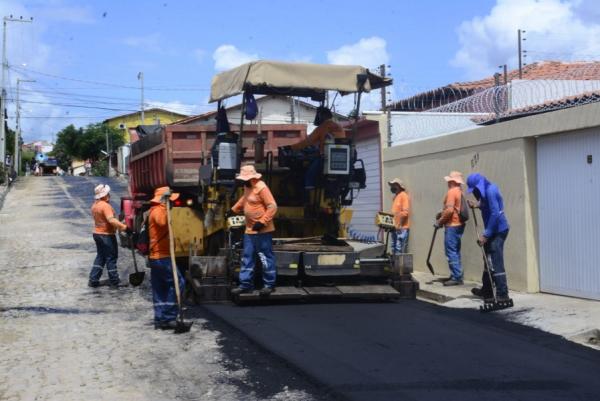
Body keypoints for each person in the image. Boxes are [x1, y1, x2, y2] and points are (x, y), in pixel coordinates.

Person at [230, 165, 278, 296]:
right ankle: (245, 285)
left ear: (251, 178)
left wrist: (262, 222)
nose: (242, 181)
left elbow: (272, 206)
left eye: (244, 179)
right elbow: (245, 199)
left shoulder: (261, 187)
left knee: (264, 257)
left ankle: (269, 285)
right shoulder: (248, 187)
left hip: (262, 231)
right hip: (250, 229)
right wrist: (233, 210)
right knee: (247, 257)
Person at [466, 173, 511, 301]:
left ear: (478, 187)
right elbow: (486, 204)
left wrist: (486, 235)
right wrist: (477, 205)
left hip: (498, 231)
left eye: (474, 190)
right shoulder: (486, 191)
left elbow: (495, 214)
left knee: (495, 261)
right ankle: (487, 290)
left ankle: (503, 294)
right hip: (492, 231)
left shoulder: (491, 190)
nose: (473, 192)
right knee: (487, 260)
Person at [147, 186, 185, 330]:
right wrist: (165, 205)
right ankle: (168, 317)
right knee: (177, 283)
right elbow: (162, 222)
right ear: (164, 200)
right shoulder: (158, 210)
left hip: (157, 256)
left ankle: (160, 318)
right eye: (171, 200)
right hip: (162, 256)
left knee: (160, 287)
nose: (173, 203)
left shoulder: (156, 210)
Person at [288, 107, 345, 190]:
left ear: (322, 115)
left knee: (309, 173)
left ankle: (308, 188)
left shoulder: (322, 127)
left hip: (326, 157)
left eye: (318, 115)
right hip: (340, 158)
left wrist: (291, 147)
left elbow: (307, 142)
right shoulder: (339, 127)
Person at [89, 184, 128, 288]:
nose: (109, 195)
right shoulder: (105, 206)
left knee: (101, 256)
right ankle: (115, 281)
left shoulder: (95, 205)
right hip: (106, 235)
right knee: (111, 257)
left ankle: (93, 279)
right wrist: (124, 227)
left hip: (97, 234)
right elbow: (111, 220)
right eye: (107, 193)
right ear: (104, 195)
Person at [435, 171, 466, 286]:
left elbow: (449, 210)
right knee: (456, 251)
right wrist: (441, 213)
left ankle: (456, 277)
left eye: (449, 181)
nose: (448, 183)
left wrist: (439, 222)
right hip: (459, 225)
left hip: (452, 225)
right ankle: (456, 274)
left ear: (453, 181)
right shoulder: (459, 192)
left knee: (451, 251)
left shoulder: (452, 192)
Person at [388, 178, 410, 254]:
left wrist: (399, 224)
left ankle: (400, 266)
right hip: (395, 228)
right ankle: (394, 265)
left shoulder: (403, 196)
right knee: (394, 247)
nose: (392, 187)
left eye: (394, 185)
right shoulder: (396, 197)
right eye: (392, 185)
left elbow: (405, 213)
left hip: (401, 228)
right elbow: (395, 213)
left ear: (399, 186)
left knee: (398, 249)